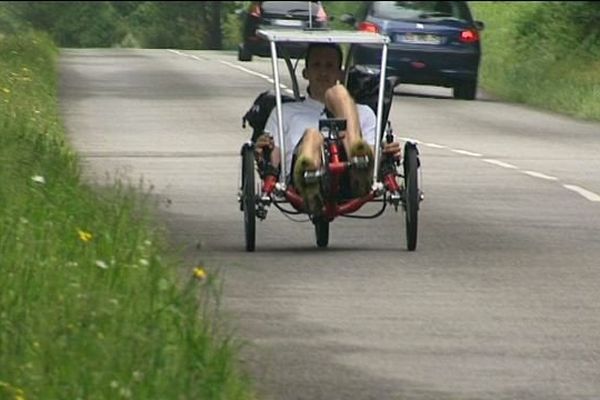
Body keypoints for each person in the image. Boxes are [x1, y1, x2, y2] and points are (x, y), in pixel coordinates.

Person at [255, 42, 401, 213]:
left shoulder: (364, 112)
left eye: (330, 66)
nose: (323, 72)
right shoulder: (284, 112)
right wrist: (263, 153)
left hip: (351, 179)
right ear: (305, 72)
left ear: (340, 72)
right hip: (299, 182)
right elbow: (273, 158)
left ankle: (358, 160)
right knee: (312, 136)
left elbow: (376, 150)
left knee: (338, 93)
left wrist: (387, 153)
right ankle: (310, 177)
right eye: (317, 65)